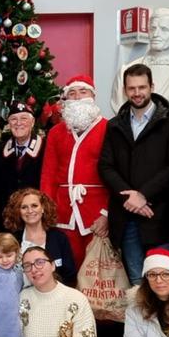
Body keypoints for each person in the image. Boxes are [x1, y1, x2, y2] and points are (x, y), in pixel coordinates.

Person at [99, 64, 169, 285]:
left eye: (142, 87)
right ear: (125, 90)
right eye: (132, 88)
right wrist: (130, 197)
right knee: (137, 281)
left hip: (162, 216)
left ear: (152, 87)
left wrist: (143, 195)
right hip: (127, 217)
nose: (137, 93)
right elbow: (105, 166)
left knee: (166, 282)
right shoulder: (115, 125)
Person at [40, 75, 109, 269]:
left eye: (83, 92)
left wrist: (107, 213)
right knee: (66, 267)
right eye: (72, 93)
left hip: (96, 212)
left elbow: (116, 176)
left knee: (96, 271)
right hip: (63, 211)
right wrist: (47, 211)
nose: (77, 97)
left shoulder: (108, 128)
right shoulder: (56, 132)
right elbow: (48, 174)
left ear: (93, 96)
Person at [0, 100, 47, 234]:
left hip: (38, 222)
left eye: (24, 118)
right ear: (9, 124)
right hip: (7, 224)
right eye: (13, 119)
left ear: (32, 122)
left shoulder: (46, 149)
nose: (18, 123)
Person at [3, 187, 76, 286]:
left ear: (43, 208)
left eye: (34, 206)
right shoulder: (11, 239)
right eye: (24, 207)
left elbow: (70, 275)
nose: (30, 211)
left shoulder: (59, 238)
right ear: (18, 212)